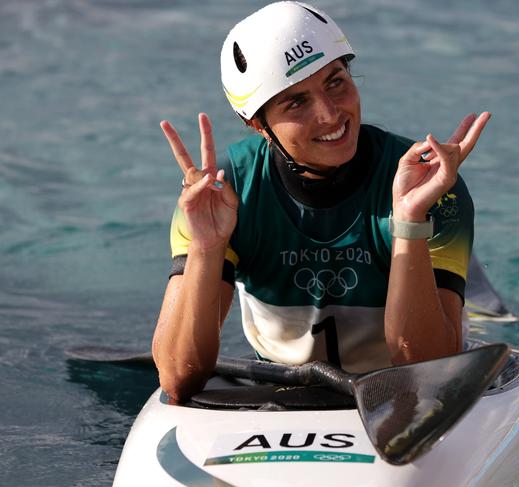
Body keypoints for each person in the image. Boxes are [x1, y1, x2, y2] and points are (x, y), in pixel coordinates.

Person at [152, 1, 490, 404]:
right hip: (280, 388)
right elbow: (177, 379)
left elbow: (427, 371)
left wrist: (409, 219)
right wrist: (207, 249)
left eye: (336, 82)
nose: (331, 115)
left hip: (398, 390)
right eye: (296, 102)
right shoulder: (222, 191)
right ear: (258, 124)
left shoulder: (427, 183)